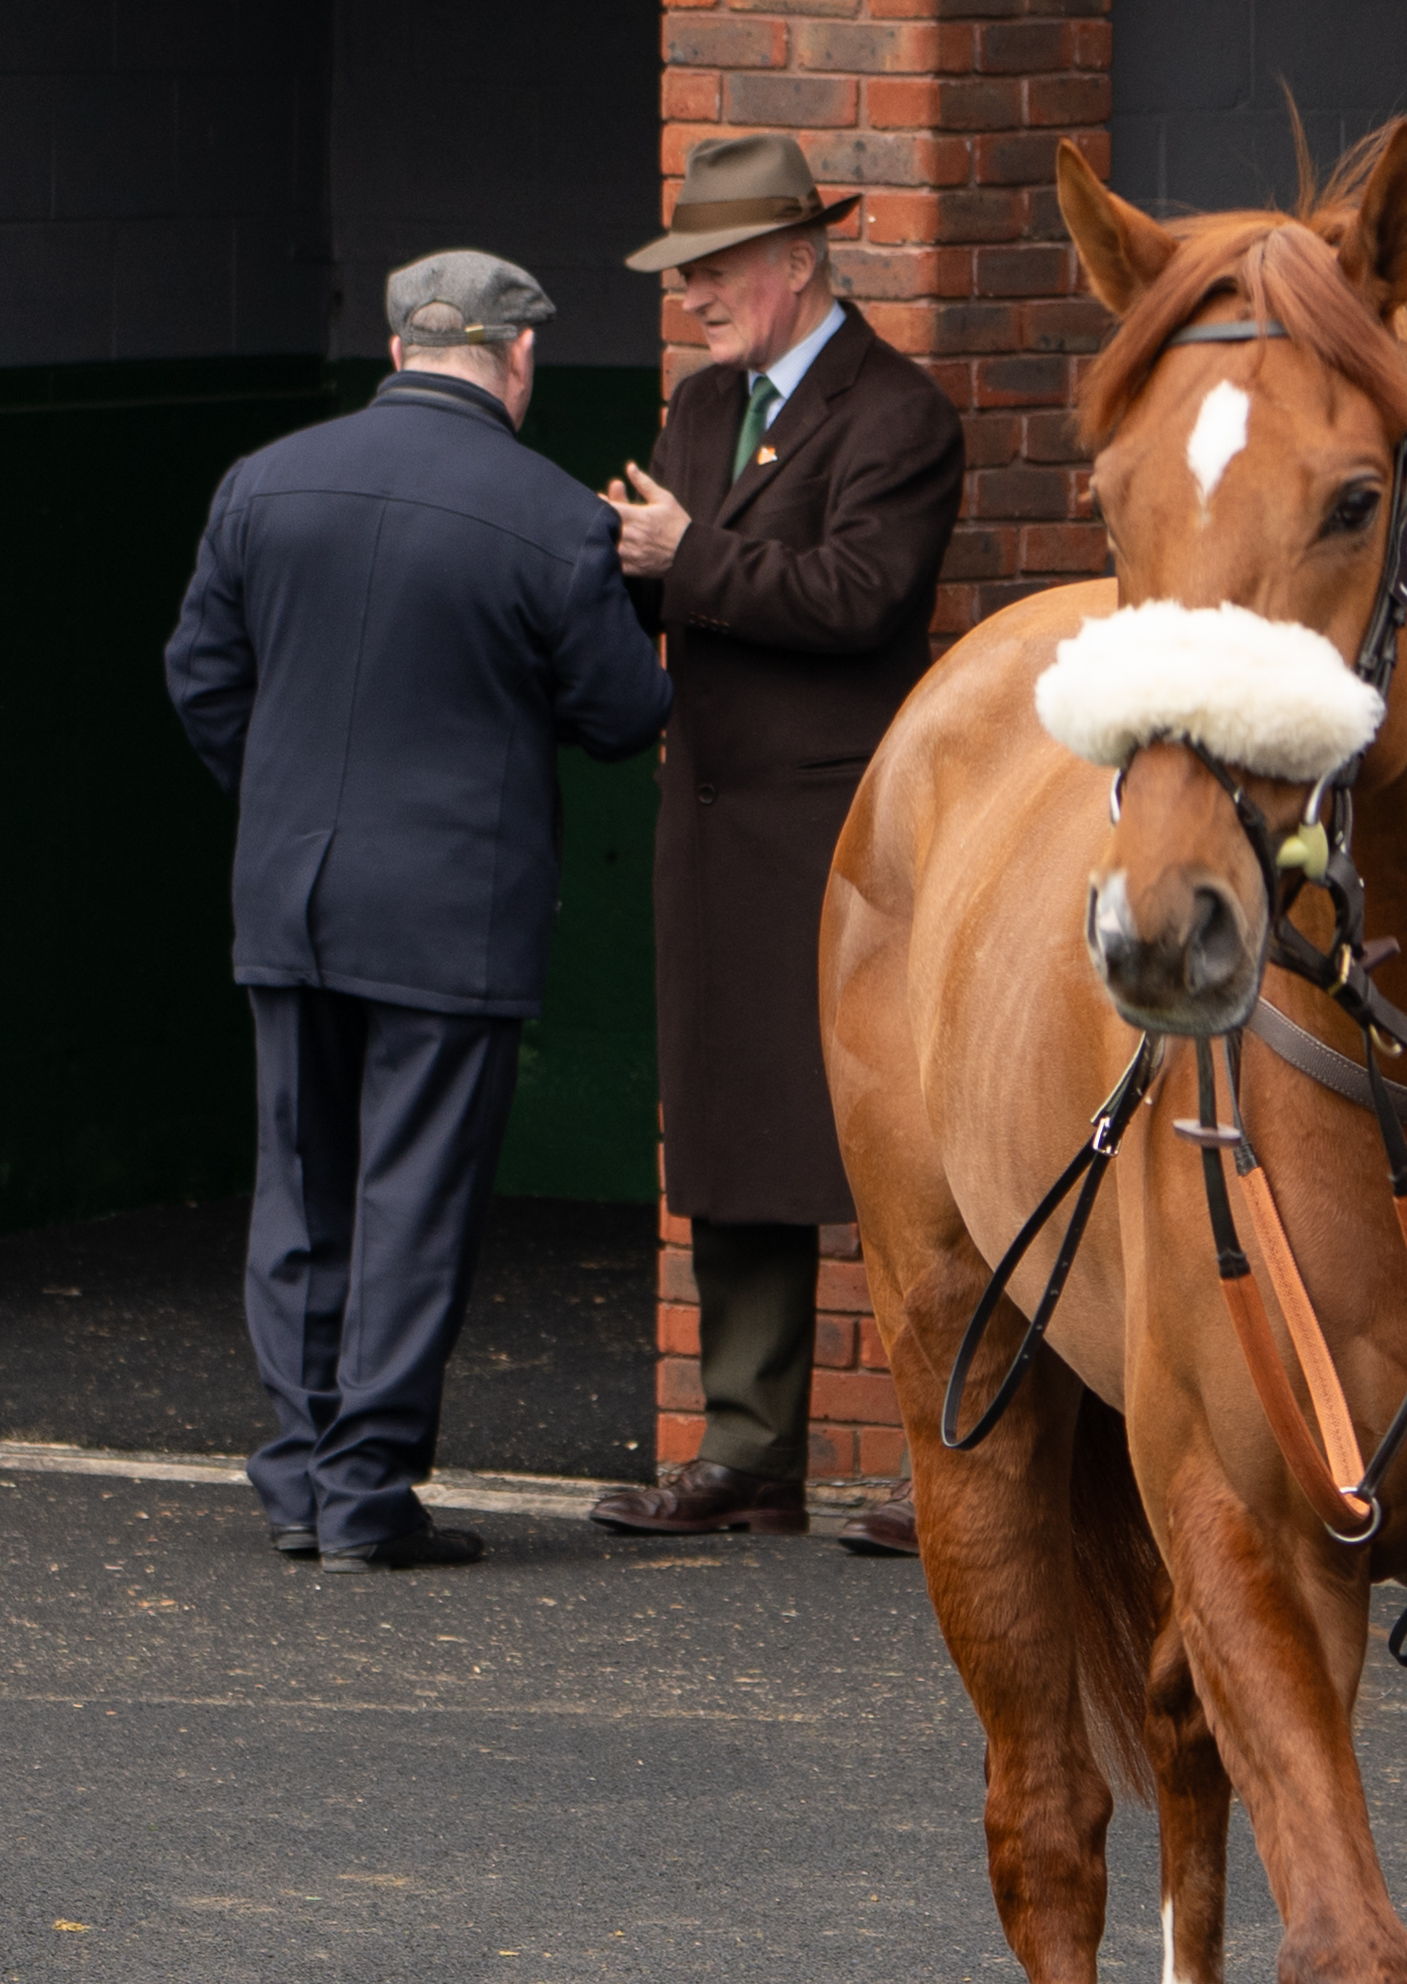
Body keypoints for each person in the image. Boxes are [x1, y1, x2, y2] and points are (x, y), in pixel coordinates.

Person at [166, 251, 674, 1574]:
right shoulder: (552, 515)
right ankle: (369, 1492)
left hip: (291, 893)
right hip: (454, 910)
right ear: (516, 363)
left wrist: (279, 799)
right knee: (411, 1199)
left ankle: (296, 1479)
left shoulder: (260, 485)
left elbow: (201, 679)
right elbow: (625, 715)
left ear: (396, 352)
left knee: (298, 1189)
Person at [584, 134, 964, 1555]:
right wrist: (606, 570)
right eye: (686, 276)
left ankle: (954, 1459)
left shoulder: (900, 414)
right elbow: (668, 577)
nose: (693, 297)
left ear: (797, 261)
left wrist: (686, 559)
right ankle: (747, 1457)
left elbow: (861, 596)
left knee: (894, 1153)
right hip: (712, 829)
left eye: (716, 271)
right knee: (738, 1139)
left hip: (840, 843)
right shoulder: (701, 406)